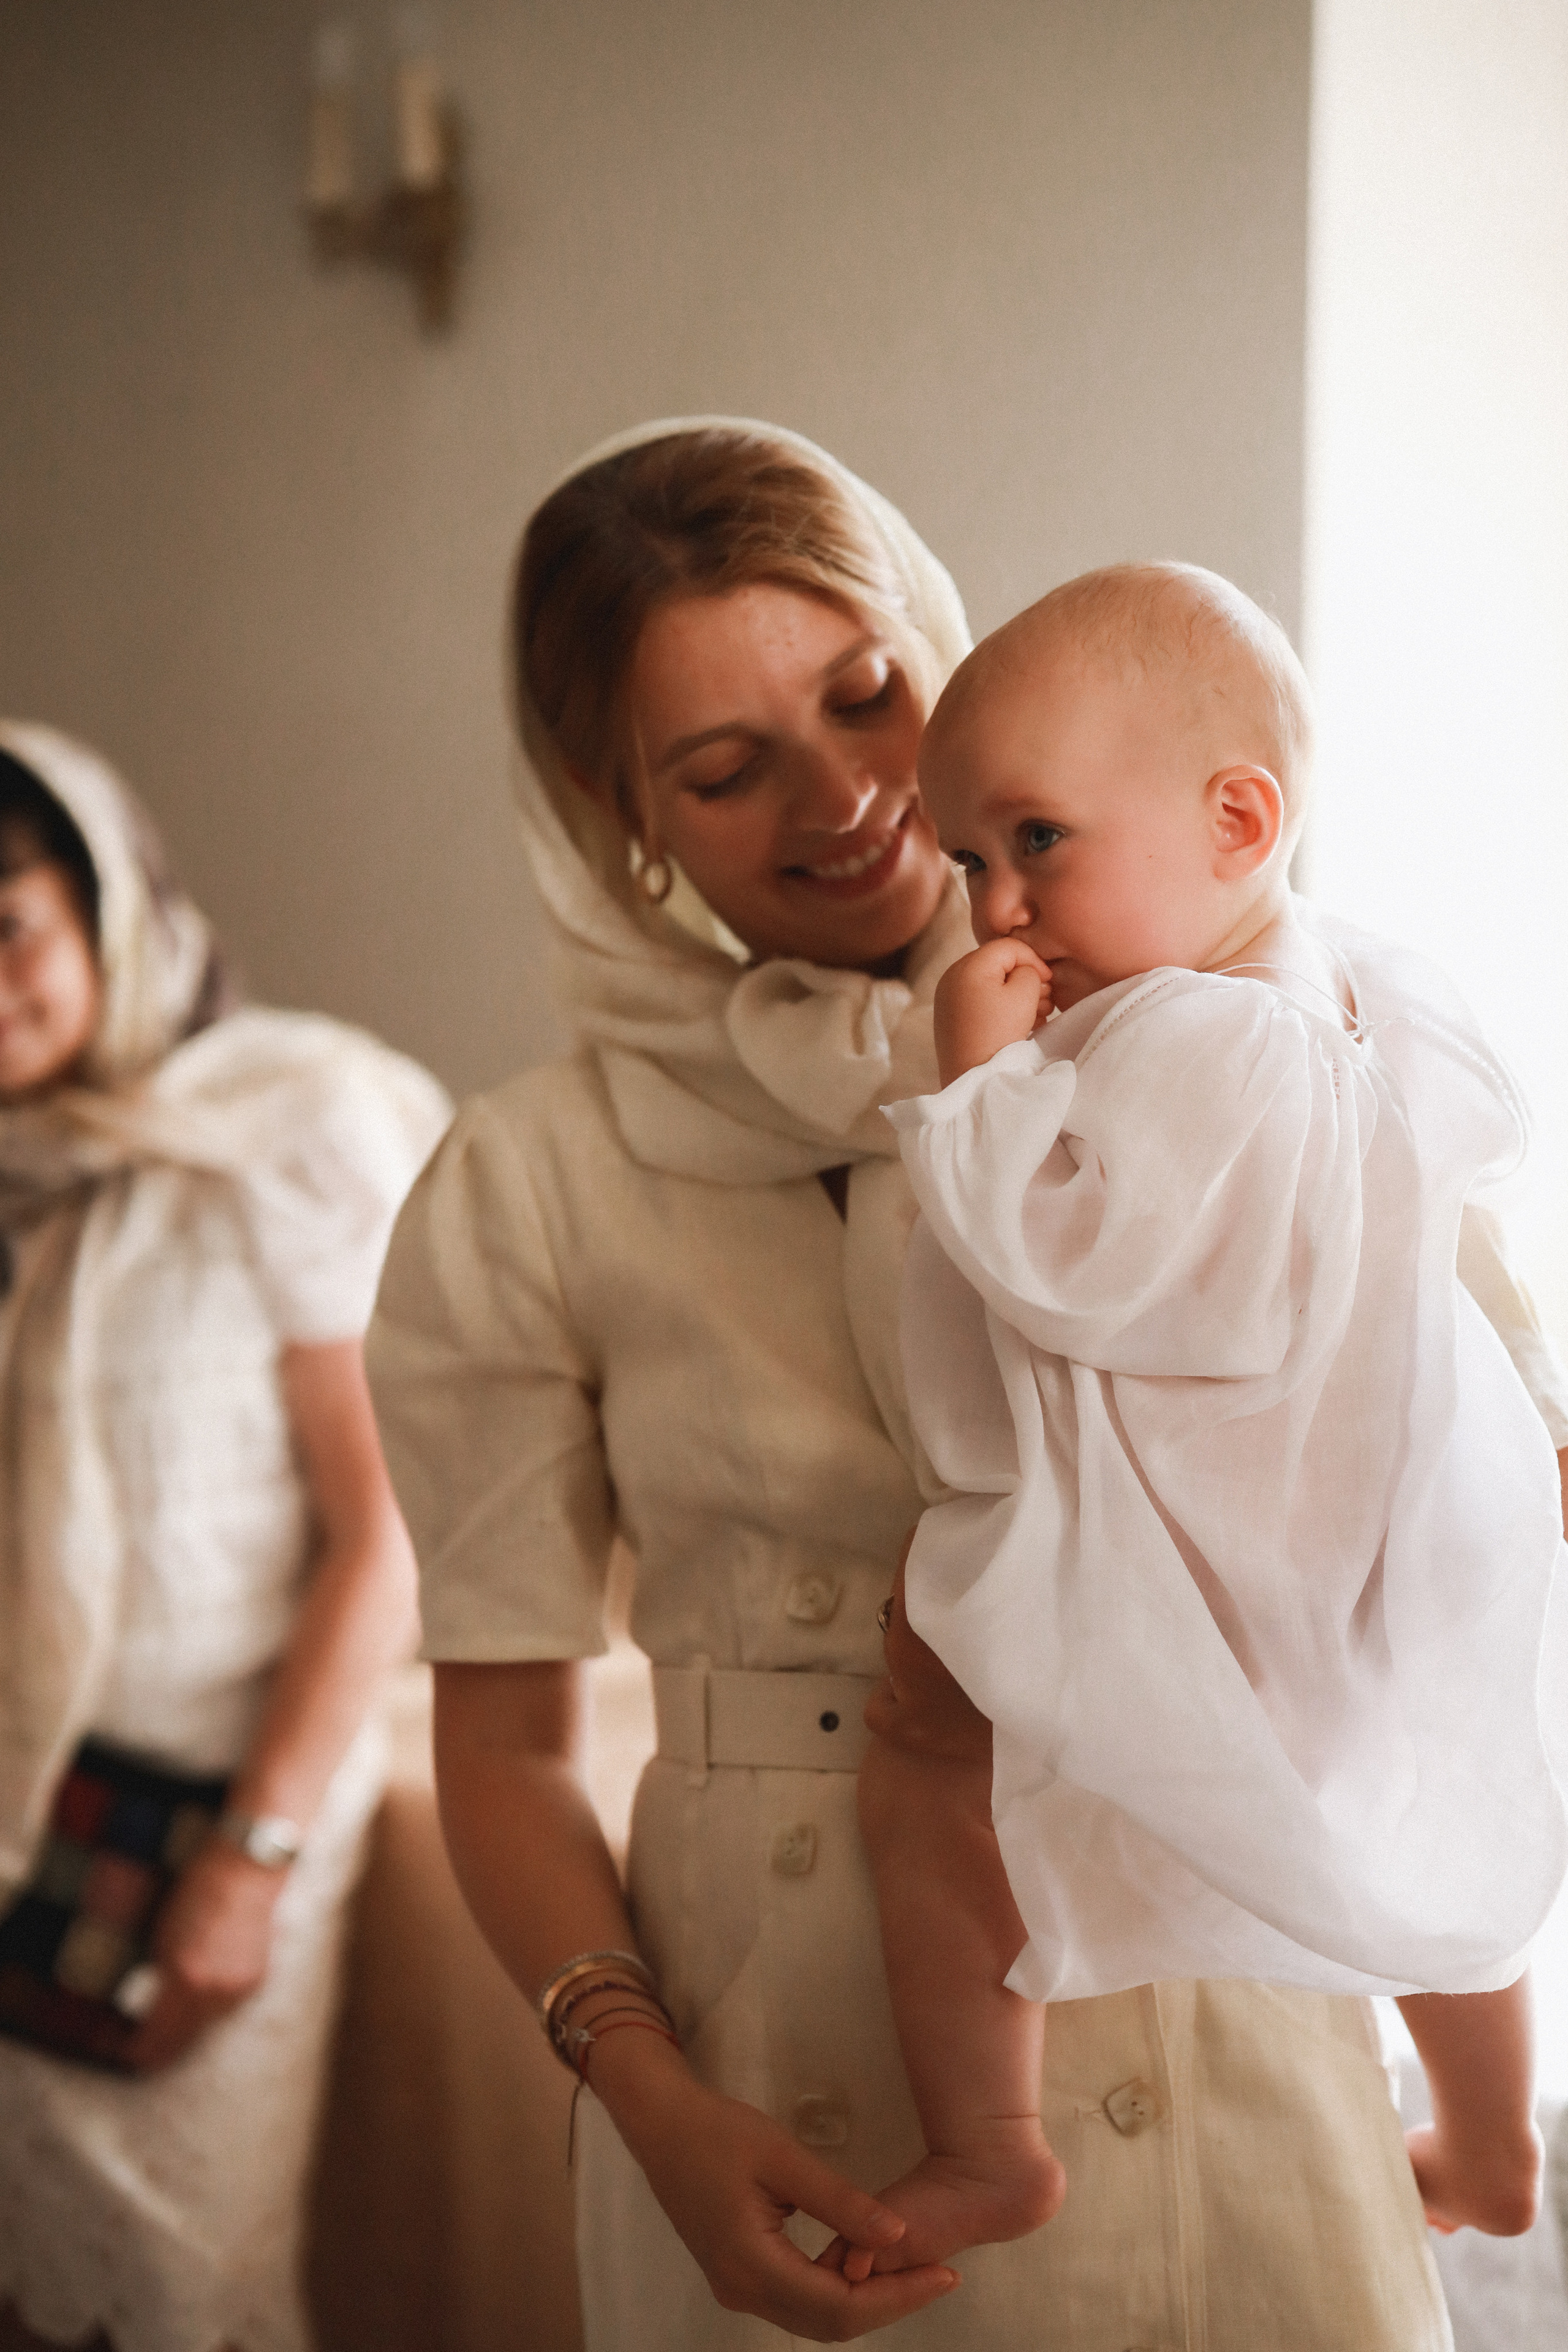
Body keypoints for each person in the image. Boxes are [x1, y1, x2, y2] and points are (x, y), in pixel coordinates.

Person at [366, 419, 1568, 2351]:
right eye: (728, 769)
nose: (850, 799)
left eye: (867, 699)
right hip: (801, 2048)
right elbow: (501, 1745)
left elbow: (1491, 1433)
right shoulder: (532, 1175)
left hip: (1224, 1986)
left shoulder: (1253, 1020)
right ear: (625, 822)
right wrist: (649, 2099)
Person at [838, 562, 1565, 2285]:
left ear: (1241, 816)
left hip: (1218, 1527)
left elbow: (1080, 1271)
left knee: (929, 1757)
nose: (997, 913)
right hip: (1373, 1522)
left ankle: (987, 2144)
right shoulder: (1342, 989)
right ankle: (1488, 2131)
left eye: (1035, 842)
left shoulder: (1190, 1036)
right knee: (1405, 1811)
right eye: (969, 865)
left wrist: (972, 1094)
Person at [0, 725, 450, 2352]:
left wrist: (247, 1868)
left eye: (8, 931)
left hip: (218, 1804)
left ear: (107, 905)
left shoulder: (287, 1123)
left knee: (185, 2291)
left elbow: (380, 1531)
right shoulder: (18, 1174)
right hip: (22, 1799)